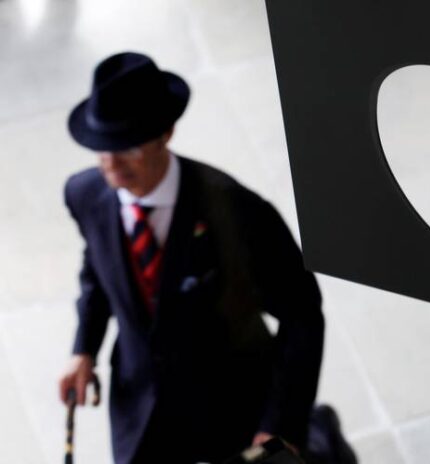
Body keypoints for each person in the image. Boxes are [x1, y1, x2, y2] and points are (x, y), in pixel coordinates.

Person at [57, 51, 337, 464]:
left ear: (165, 134)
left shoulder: (238, 211)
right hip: (142, 409)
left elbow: (303, 314)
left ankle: (323, 439)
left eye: (127, 147)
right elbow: (98, 272)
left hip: (233, 402)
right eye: (102, 149)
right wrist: (84, 349)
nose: (110, 166)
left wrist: (282, 423)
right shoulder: (84, 196)